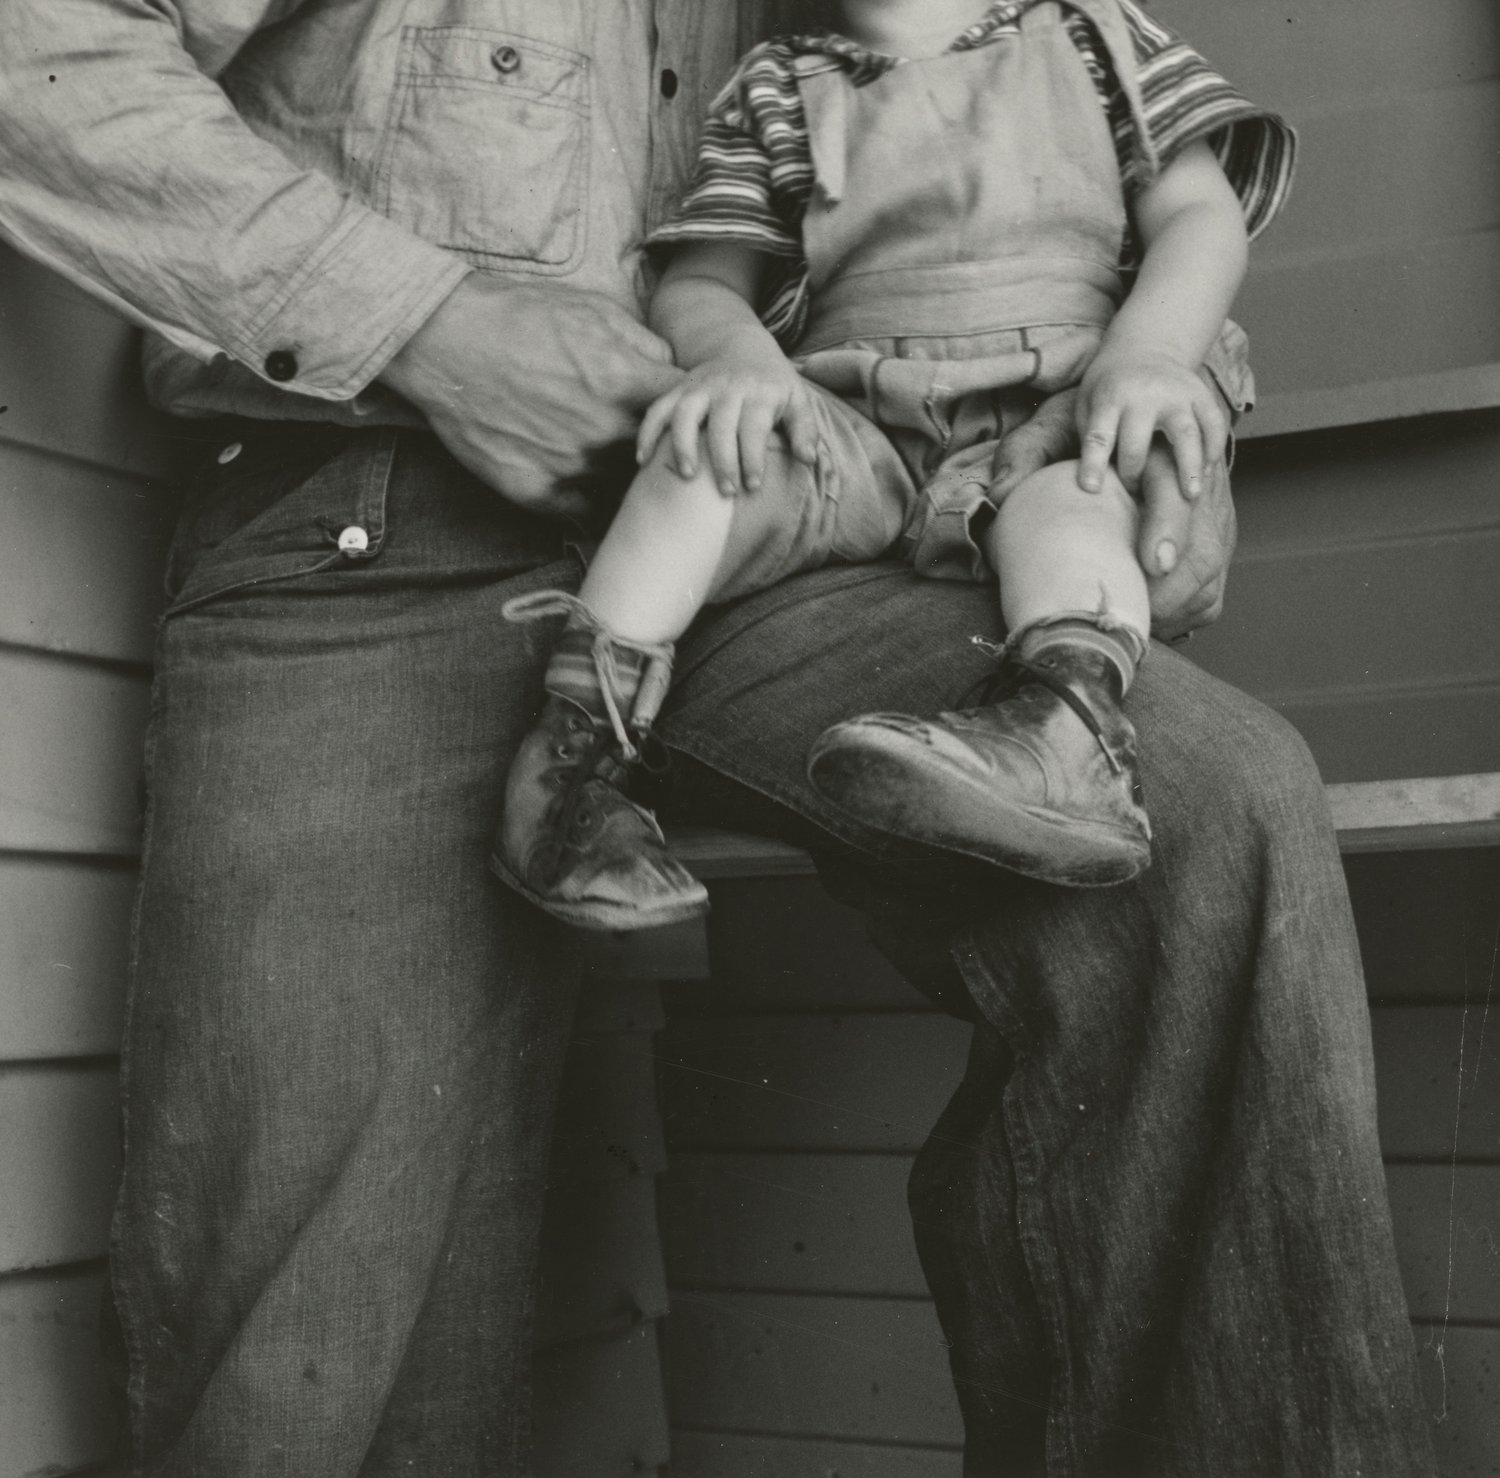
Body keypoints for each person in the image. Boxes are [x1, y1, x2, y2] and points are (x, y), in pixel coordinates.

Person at [0, 2, 1435, 1475]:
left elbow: (1050, 179)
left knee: (1206, 812)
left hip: (804, 521)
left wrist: (1161, 398)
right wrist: (428, 324)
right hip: (380, 514)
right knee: (323, 1328)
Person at [495, 0, 1263, 930]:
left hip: (1049, 408)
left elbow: (1197, 212)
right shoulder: (777, 83)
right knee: (702, 456)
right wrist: (738, 359)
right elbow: (702, 279)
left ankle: (1065, 736)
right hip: (856, 420)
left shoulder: (1094, 35)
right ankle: (569, 772)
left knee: (1081, 496)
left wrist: (1145, 354)